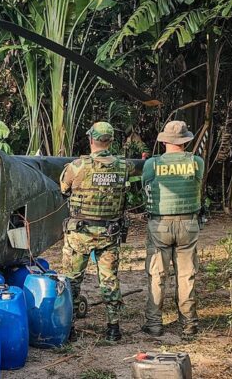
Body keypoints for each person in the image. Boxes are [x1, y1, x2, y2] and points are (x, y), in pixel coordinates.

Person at [60, 121, 131, 342]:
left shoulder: (77, 166)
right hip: (109, 233)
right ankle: (113, 328)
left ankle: (69, 329)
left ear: (91, 139)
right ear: (110, 141)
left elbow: (64, 188)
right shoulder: (123, 166)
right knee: (109, 279)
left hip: (80, 234)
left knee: (72, 280)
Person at [141, 120, 204, 337]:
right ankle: (189, 324)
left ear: (165, 140)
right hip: (189, 223)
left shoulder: (152, 164)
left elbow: (145, 186)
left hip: (160, 224)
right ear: (186, 141)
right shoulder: (197, 162)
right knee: (186, 274)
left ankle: (154, 324)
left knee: (157, 274)